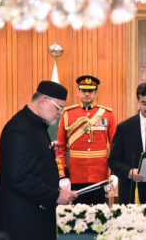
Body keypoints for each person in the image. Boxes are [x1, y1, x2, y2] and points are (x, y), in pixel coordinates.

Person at [0, 81, 78, 240]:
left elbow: (37, 171)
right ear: (43, 101)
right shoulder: (20, 128)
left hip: (32, 218)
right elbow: (18, 178)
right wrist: (55, 195)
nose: (60, 113)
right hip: (19, 222)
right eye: (59, 108)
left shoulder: (36, 126)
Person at [56, 75, 117, 204]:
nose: (87, 94)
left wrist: (113, 173)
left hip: (100, 176)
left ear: (96, 93)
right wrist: (63, 175)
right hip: (75, 176)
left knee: (100, 216)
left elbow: (115, 148)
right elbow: (60, 148)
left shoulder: (107, 114)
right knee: (76, 217)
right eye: (84, 90)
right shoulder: (67, 114)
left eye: (91, 91)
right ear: (78, 92)